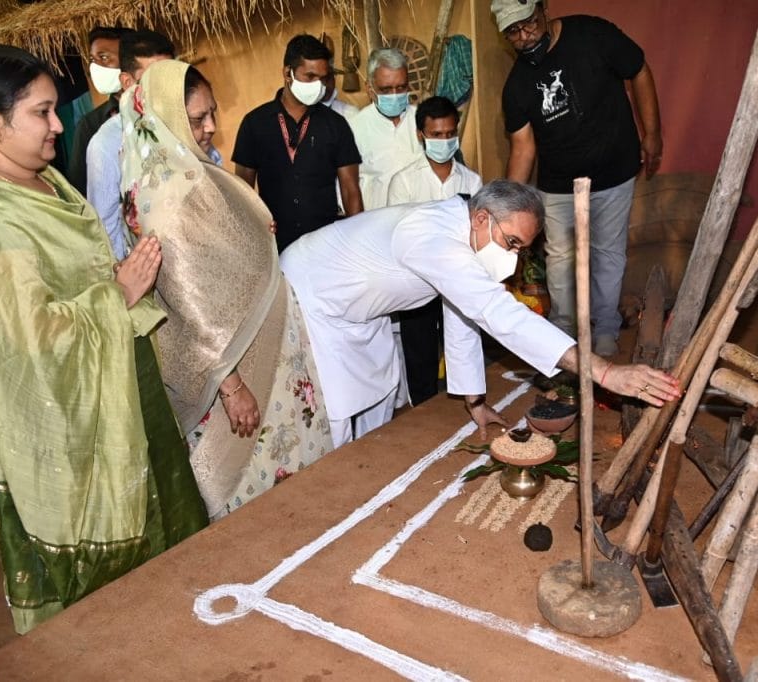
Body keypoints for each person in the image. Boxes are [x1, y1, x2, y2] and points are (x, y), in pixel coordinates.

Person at [0, 47, 207, 633]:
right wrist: (119, 295)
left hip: (121, 378)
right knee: (109, 605)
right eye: (42, 112)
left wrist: (119, 287)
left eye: (56, 110)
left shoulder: (45, 177)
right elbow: (25, 342)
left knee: (172, 543)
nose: (58, 125)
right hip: (71, 417)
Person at [280, 180, 680, 448]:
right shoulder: (432, 237)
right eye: (511, 242)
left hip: (362, 311)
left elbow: (463, 317)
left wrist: (475, 402)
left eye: (521, 248)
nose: (513, 256)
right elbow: (496, 314)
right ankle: (327, 484)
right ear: (483, 218)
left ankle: (362, 468)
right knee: (334, 411)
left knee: (381, 390)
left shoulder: (464, 231)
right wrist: (605, 372)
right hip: (313, 295)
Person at [120, 59, 333, 520]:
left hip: (265, 343)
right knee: (248, 492)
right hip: (231, 366)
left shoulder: (190, 173)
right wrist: (232, 388)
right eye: (197, 119)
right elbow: (190, 304)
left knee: (289, 477)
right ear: (165, 119)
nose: (211, 127)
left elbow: (229, 247)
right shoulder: (169, 200)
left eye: (212, 113)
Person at [493, 0, 663, 357]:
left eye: (529, 25)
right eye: (513, 32)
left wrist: (652, 133)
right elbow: (523, 148)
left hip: (614, 169)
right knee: (559, 257)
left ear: (543, 10)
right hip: (558, 183)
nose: (524, 37)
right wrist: (508, 208)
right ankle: (564, 333)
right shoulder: (517, 86)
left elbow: (639, 70)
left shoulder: (591, 33)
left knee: (607, 252)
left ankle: (605, 331)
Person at [386, 95, 483, 406]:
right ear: (421, 136)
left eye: (450, 133)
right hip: (418, 282)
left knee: (463, 345)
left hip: (459, 278)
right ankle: (423, 413)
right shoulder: (403, 182)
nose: (445, 141)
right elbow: (397, 236)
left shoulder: (472, 180)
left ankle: (467, 405)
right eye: (437, 135)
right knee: (420, 352)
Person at [233, 35, 363, 253]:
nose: (318, 85)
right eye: (309, 76)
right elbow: (242, 192)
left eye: (322, 78)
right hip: (274, 246)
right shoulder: (254, 123)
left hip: (326, 244)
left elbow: (351, 192)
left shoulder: (336, 125)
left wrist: (359, 243)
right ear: (287, 73)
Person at [86, 29, 175, 259]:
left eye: (169, 80)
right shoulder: (106, 144)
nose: (163, 91)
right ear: (127, 82)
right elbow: (106, 228)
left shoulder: (184, 122)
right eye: (153, 82)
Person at [349, 47, 423, 210]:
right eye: (386, 89)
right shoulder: (355, 128)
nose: (395, 95)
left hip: (420, 221)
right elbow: (345, 187)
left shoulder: (423, 120)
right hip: (376, 223)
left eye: (401, 87)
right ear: (370, 88)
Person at [67, 26, 133, 192]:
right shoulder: (90, 125)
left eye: (104, 57)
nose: (95, 68)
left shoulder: (160, 106)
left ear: (130, 61)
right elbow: (79, 187)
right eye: (93, 60)